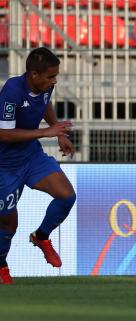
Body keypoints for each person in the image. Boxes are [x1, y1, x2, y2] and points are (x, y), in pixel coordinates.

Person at [0, 47, 76, 284]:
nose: (54, 81)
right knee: (7, 220)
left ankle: (41, 236)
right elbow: (3, 133)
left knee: (66, 196)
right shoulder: (12, 90)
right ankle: (1, 265)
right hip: (5, 164)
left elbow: (45, 104)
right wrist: (46, 131)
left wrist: (58, 134)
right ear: (33, 74)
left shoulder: (45, 86)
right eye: (50, 76)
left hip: (31, 155)